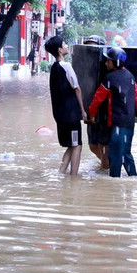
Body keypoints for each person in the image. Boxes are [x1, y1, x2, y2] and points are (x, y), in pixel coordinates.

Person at [88, 46, 137, 177]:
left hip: (117, 123)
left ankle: (114, 182)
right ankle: (133, 178)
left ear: (115, 62)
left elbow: (97, 98)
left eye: (108, 61)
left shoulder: (110, 78)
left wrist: (92, 115)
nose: (106, 63)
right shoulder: (130, 76)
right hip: (129, 123)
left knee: (115, 154)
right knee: (126, 153)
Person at [45, 36, 87, 175]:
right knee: (77, 145)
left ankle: (61, 172)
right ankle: (73, 177)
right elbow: (77, 88)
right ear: (59, 50)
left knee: (71, 144)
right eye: (65, 44)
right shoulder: (66, 66)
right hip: (71, 115)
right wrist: (82, 110)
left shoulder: (54, 68)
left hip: (59, 114)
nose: (67, 46)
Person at [82, 35, 111, 170]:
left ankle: (107, 168)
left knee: (104, 145)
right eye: (88, 46)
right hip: (90, 109)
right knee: (93, 145)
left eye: (93, 45)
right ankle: (108, 165)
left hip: (105, 111)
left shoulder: (107, 65)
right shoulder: (82, 65)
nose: (90, 49)